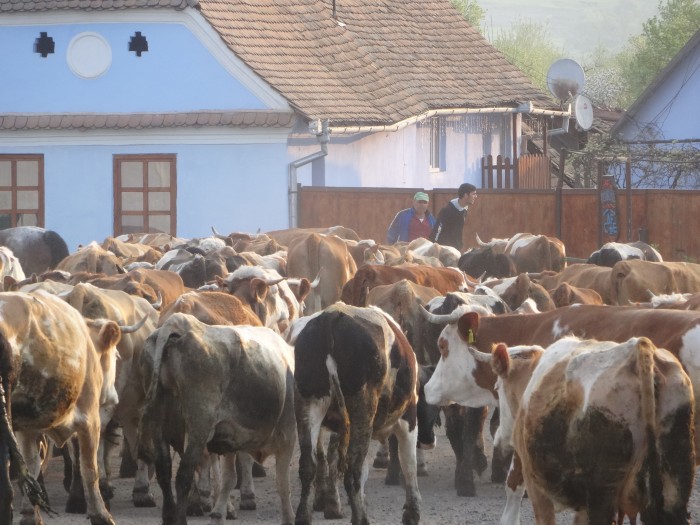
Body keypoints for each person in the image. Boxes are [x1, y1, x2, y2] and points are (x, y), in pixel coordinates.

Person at [429, 183, 478, 251]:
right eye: (473, 194)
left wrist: (459, 245)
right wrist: (435, 247)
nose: (476, 196)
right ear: (465, 195)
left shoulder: (464, 208)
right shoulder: (447, 210)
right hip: (443, 249)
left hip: (455, 248)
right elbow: (437, 230)